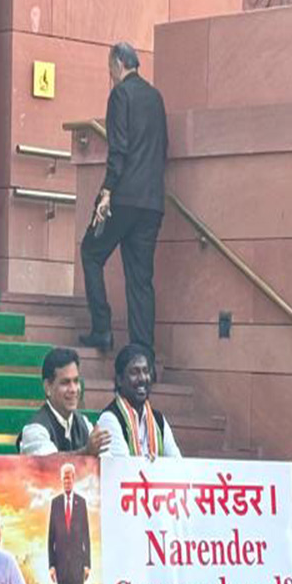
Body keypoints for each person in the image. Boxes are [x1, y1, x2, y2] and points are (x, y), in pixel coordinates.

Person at [80, 42, 168, 354]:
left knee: (91, 252)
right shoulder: (155, 97)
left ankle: (102, 329)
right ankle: (142, 350)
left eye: (109, 68)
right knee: (140, 279)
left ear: (118, 63)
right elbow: (162, 150)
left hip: (124, 197)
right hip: (152, 202)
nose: (109, 74)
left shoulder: (121, 95)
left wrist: (107, 192)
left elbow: (118, 148)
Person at [18, 347, 111, 455]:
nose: (73, 390)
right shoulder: (34, 430)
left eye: (76, 381)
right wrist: (86, 452)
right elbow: (50, 464)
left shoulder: (84, 424)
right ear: (48, 387)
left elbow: (106, 459)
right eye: (65, 383)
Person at [96, 343, 181, 459]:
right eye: (134, 372)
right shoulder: (110, 419)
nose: (142, 378)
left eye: (146, 371)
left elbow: (177, 463)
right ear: (120, 380)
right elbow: (124, 467)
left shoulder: (159, 420)